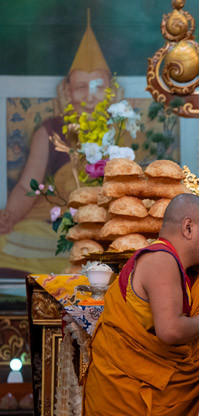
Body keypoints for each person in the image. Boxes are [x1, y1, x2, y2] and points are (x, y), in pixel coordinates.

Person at [82, 194, 199, 416]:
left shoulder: (171, 263)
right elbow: (171, 331)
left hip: (137, 390)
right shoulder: (161, 261)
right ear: (188, 227)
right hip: (129, 401)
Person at [0, 15, 114, 276]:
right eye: (81, 87)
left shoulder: (120, 130)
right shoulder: (50, 131)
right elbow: (25, 185)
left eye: (98, 86)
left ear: (111, 90)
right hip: (54, 228)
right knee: (5, 242)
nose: (89, 96)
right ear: (67, 91)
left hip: (104, 229)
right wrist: (10, 217)